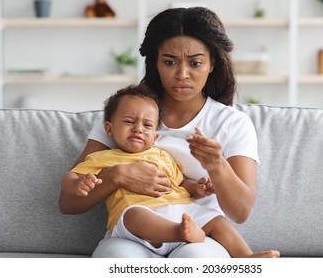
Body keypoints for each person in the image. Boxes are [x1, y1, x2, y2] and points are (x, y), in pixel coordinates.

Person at [59, 6, 270, 257]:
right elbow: (68, 203)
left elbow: (240, 212)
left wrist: (216, 165)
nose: (181, 75)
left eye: (195, 63)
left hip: (199, 231)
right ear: (155, 63)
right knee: (117, 259)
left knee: (194, 259)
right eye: (169, 62)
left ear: (212, 63)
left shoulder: (232, 123)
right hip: (135, 231)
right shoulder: (124, 116)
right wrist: (118, 175)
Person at [61, 85, 279, 258]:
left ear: (156, 136)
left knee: (215, 220)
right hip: (139, 217)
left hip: (181, 210)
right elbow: (71, 179)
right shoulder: (103, 158)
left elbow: (181, 183)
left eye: (147, 126)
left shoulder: (162, 155)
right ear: (109, 128)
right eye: (129, 122)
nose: (138, 128)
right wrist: (78, 184)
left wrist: (200, 187)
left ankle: (245, 257)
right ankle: (179, 233)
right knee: (135, 216)